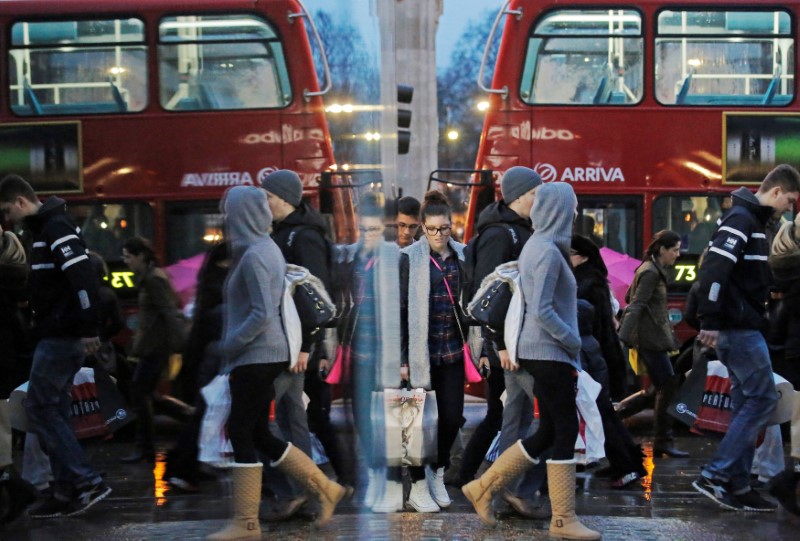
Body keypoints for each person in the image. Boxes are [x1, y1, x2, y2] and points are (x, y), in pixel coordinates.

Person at [207, 186, 350, 540]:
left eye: (231, 213)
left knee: (241, 431)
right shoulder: (264, 248)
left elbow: (260, 313)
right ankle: (323, 488)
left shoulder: (256, 254)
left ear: (243, 216)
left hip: (256, 355)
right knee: (257, 432)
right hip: (263, 355)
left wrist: (229, 344)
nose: (228, 219)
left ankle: (246, 523)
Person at [462, 182, 601, 540]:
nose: (573, 213)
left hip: (544, 352)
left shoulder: (541, 246)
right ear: (558, 211)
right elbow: (542, 310)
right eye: (570, 207)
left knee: (550, 431)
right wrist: (572, 342)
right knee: (564, 431)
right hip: (548, 352)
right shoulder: (547, 251)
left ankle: (484, 487)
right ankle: (563, 519)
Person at [0, 174, 110, 518]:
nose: (7, 219)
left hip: (62, 334)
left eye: (7, 210)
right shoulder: (43, 230)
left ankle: (86, 480)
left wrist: (89, 326)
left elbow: (82, 276)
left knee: (40, 406)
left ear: (20, 201)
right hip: (56, 331)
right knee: (56, 409)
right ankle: (65, 490)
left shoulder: (55, 227)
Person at [693, 164, 800, 512]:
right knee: (762, 399)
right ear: (777, 192)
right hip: (738, 328)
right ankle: (716, 473)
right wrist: (709, 319)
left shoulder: (751, 223)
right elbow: (713, 269)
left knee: (745, 403)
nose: (789, 210)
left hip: (740, 326)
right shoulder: (742, 220)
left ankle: (738, 485)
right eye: (790, 202)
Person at [456, 166, 544, 520]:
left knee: (513, 416)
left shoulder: (516, 230)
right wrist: (499, 346)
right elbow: (488, 294)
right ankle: (496, 485)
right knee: (518, 416)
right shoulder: (501, 233)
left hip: (513, 341)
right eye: (536, 194)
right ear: (520, 196)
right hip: (507, 344)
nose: (539, 201)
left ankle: (496, 485)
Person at [260, 168, 339, 519]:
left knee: (293, 419)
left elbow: (315, 295)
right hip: (288, 341)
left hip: (293, 344)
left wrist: (311, 348)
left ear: (286, 200)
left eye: (270, 198)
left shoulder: (302, 237)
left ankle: (302, 489)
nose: (266, 204)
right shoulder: (285, 233)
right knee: (295, 419)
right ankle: (309, 488)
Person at [400, 190, 470, 512]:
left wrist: (480, 348)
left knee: (452, 418)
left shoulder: (462, 256)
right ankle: (417, 484)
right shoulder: (410, 258)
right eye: (433, 229)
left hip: (452, 351)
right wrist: (401, 359)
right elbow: (400, 311)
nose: (440, 235)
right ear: (422, 227)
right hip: (419, 355)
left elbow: (471, 306)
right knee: (415, 423)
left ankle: (438, 473)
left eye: (445, 228)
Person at [336, 192, 403, 512]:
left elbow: (403, 310)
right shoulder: (354, 259)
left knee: (388, 422)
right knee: (364, 422)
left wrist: (402, 358)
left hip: (386, 353)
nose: (368, 236)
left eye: (374, 230)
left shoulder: (393, 260)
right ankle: (375, 478)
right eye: (364, 230)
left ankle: (389, 484)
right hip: (359, 353)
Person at [121, 236, 192, 463]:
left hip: (156, 347)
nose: (126, 262)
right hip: (151, 346)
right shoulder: (150, 277)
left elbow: (169, 312)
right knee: (149, 394)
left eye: (128, 257)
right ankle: (191, 415)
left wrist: (180, 343)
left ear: (141, 256)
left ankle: (145, 447)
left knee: (140, 393)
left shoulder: (154, 279)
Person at [617, 230, 687, 459]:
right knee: (667, 385)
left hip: (651, 336)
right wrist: (624, 336)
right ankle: (662, 441)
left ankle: (614, 416)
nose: (678, 254)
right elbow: (635, 304)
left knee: (659, 387)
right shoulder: (650, 273)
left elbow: (629, 297)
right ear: (662, 249)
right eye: (675, 249)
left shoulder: (648, 269)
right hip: (650, 339)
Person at [570, 234, 628, 401]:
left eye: (570, 253)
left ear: (583, 257)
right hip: (597, 351)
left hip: (591, 352)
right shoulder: (591, 279)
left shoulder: (587, 282)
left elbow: (595, 325)